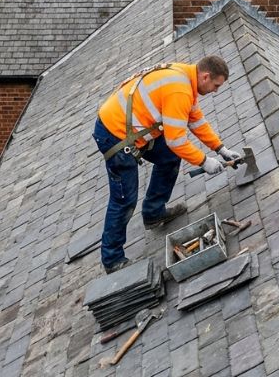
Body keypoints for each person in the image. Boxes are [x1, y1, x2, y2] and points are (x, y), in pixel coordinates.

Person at [93, 55, 240, 274]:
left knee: (169, 157)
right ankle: (112, 259)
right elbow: (176, 140)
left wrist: (220, 149)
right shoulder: (179, 90)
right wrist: (204, 161)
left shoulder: (186, 77)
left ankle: (153, 213)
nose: (216, 91)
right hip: (115, 137)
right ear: (206, 76)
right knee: (124, 200)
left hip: (132, 128)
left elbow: (196, 120)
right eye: (216, 85)